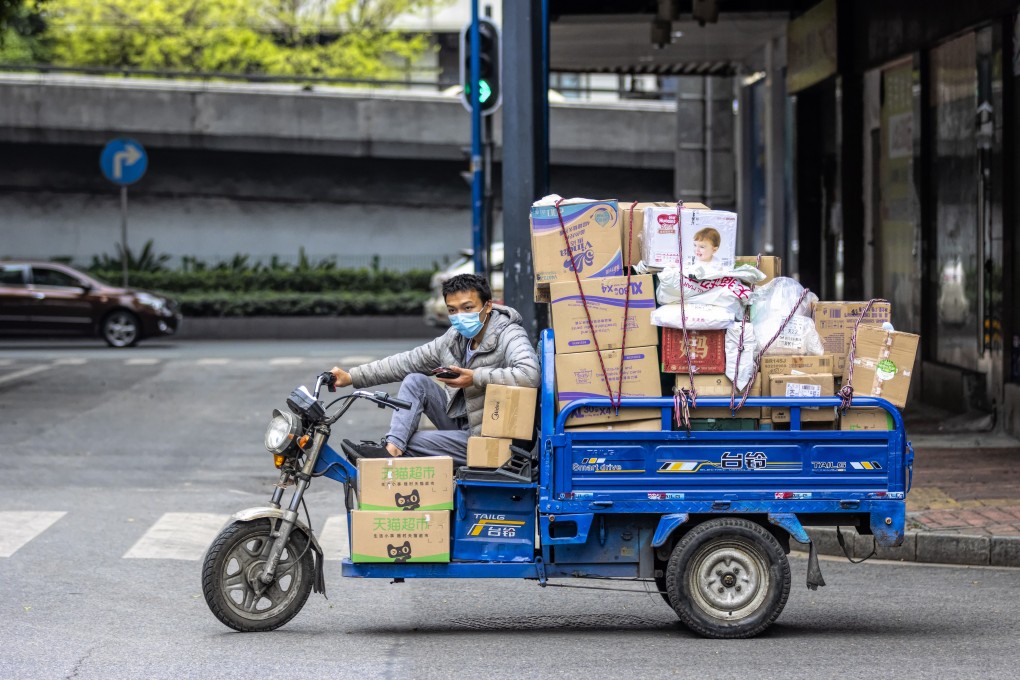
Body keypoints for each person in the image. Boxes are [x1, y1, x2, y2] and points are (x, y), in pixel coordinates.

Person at [329, 273, 540, 466]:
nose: (460, 316)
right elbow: (406, 361)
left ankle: (393, 452)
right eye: (452, 310)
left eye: (468, 308)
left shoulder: (510, 334)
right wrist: (351, 377)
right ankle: (392, 449)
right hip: (465, 427)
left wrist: (475, 377)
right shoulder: (454, 339)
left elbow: (530, 374)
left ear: (488, 306)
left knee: (412, 441)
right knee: (415, 381)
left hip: (497, 440)